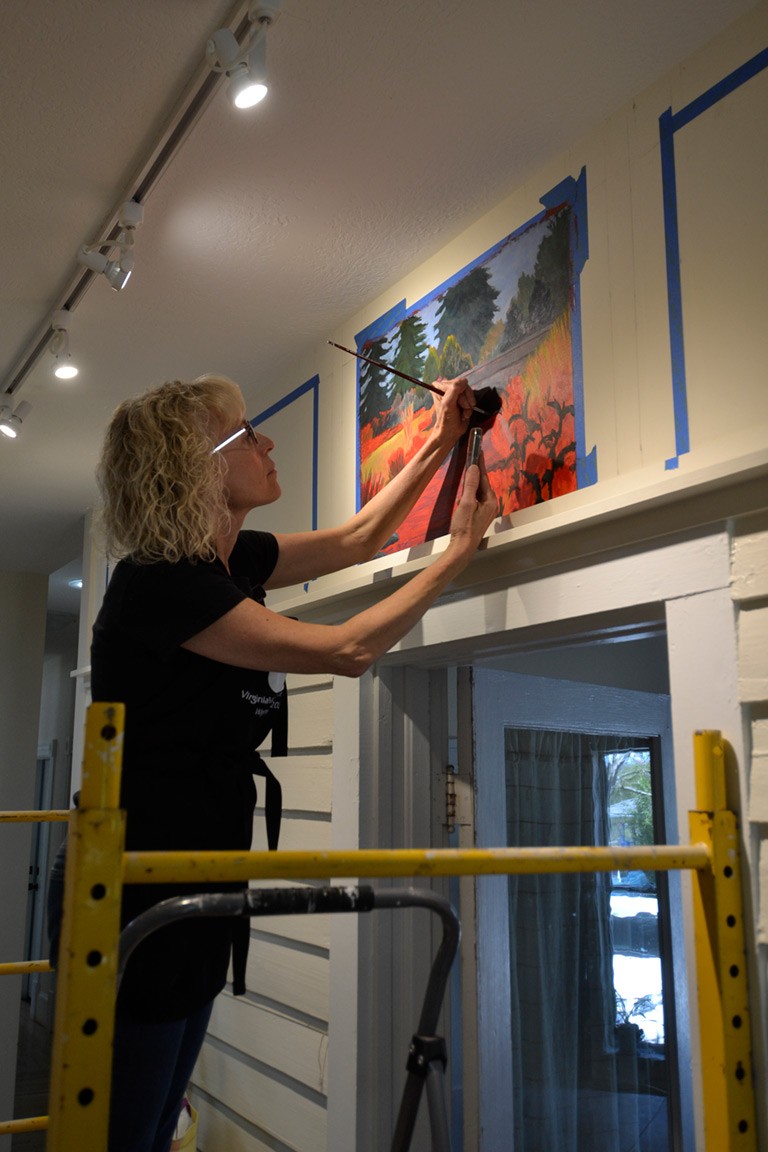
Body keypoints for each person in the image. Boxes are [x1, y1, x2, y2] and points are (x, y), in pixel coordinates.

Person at [82, 371, 496, 1152]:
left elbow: (358, 540)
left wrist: (440, 441)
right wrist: (457, 555)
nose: (267, 443)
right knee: (124, 1135)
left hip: (202, 882)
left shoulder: (231, 564)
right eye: (245, 434)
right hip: (137, 897)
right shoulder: (158, 586)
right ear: (193, 467)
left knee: (153, 1119)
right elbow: (348, 648)